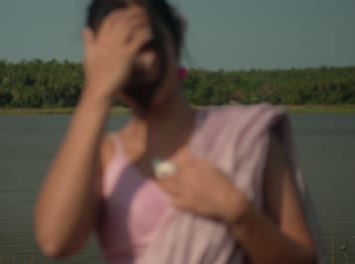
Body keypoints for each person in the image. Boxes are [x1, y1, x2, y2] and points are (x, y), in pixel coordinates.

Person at [33, 0, 324, 263]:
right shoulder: (106, 157)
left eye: (146, 44)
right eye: (121, 51)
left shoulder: (245, 137)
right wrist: (96, 91)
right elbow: (55, 241)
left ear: (176, 36)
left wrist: (239, 213)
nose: (141, 63)